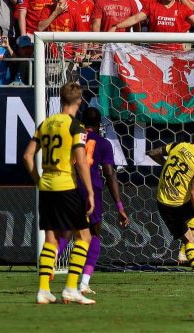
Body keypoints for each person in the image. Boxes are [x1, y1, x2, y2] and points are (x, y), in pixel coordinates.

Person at [22, 81, 96, 305]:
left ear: (62, 100)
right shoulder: (76, 126)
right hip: (66, 186)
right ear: (79, 101)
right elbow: (81, 161)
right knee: (84, 236)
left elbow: (27, 156)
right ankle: (71, 288)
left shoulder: (45, 123)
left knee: (51, 239)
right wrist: (90, 192)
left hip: (46, 187)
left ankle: (44, 290)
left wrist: (38, 182)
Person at [56, 107, 130, 294]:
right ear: (99, 125)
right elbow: (110, 175)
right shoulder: (104, 144)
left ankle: (49, 263)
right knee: (93, 235)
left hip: (69, 186)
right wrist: (119, 206)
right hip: (91, 191)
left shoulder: (72, 139)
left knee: (67, 232)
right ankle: (84, 283)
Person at [147, 125, 194, 285]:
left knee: (190, 216)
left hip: (162, 200)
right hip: (175, 206)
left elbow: (152, 152)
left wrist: (165, 165)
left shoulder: (178, 145)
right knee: (190, 239)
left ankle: (183, 253)